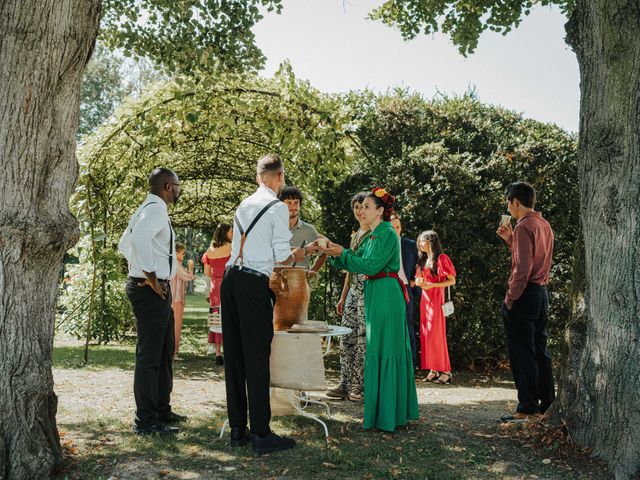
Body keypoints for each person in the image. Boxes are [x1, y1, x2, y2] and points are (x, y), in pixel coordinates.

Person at [221, 153, 306, 454]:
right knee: (257, 357)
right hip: (252, 284)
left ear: (259, 176)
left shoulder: (244, 204)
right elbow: (281, 255)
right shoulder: (277, 208)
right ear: (280, 177)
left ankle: (236, 429)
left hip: (229, 280)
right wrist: (298, 253)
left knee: (234, 356)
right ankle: (261, 433)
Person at [324, 188, 419, 432]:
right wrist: (334, 253)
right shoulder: (372, 233)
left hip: (386, 291)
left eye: (367, 206)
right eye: (361, 206)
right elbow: (355, 261)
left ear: (379, 211)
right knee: (378, 347)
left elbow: (372, 264)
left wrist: (343, 253)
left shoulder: (386, 231)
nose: (362, 211)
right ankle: (383, 413)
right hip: (376, 290)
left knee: (384, 347)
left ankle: (389, 415)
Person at [118, 167, 186, 435]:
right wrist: (149, 275)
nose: (179, 190)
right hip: (150, 291)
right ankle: (146, 421)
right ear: (168, 187)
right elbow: (136, 239)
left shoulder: (147, 207)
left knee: (164, 350)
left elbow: (125, 243)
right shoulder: (155, 210)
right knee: (150, 355)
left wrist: (140, 269)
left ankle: (162, 410)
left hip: (154, 289)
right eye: (177, 186)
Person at [497, 182, 555, 421]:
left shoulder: (523, 226)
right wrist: (510, 241)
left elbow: (522, 268)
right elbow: (535, 259)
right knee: (540, 350)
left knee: (522, 352)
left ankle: (526, 407)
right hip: (541, 294)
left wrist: (510, 298)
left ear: (515, 202)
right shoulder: (544, 224)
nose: (508, 208)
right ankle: (547, 403)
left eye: (508, 203)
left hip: (524, 295)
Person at [326, 192, 371, 402]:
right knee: (347, 338)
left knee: (363, 339)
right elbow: (349, 268)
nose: (360, 212)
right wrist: (343, 296)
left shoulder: (374, 233)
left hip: (368, 291)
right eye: (356, 208)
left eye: (363, 207)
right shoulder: (355, 235)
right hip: (353, 290)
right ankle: (344, 383)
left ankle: (358, 386)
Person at [415, 231, 457, 384]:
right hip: (425, 300)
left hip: (437, 299)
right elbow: (419, 278)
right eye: (419, 242)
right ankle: (433, 369)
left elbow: (451, 281)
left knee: (437, 335)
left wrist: (433, 285)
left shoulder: (442, 258)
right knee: (427, 334)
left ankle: (446, 371)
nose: (419, 244)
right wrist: (418, 282)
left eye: (422, 241)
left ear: (431, 242)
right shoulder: (423, 260)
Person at [390, 214, 420, 367]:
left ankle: (411, 363)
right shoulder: (382, 245)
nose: (396, 230)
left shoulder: (410, 245)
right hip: (388, 289)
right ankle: (394, 363)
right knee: (390, 327)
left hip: (406, 289)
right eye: (393, 227)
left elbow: (421, 264)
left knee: (408, 325)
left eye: (398, 227)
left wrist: (416, 279)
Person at [202, 223, 232, 364]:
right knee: (230, 315)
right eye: (231, 231)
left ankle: (218, 352)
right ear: (225, 233)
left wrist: (216, 274)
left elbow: (207, 272)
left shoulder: (210, 250)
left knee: (216, 316)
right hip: (229, 283)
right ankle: (230, 350)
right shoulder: (232, 247)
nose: (233, 234)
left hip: (215, 285)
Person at [277, 186, 327, 271]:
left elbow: (323, 254)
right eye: (289, 203)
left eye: (296, 203)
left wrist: (312, 272)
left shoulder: (309, 230)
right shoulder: (272, 229)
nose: (293, 207)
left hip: (300, 282)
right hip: (275, 281)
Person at [170, 243, 194, 359]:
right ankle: (173, 352)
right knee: (175, 325)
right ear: (176, 253)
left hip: (178, 298)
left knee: (176, 325)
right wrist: (191, 268)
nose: (184, 255)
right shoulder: (175, 264)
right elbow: (188, 277)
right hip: (175, 299)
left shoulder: (177, 264)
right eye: (182, 253)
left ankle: (174, 351)